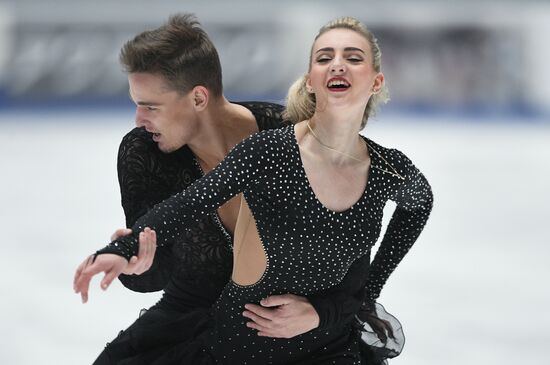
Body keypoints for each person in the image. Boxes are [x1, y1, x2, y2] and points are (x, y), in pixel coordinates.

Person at [74, 14, 400, 364]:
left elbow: (348, 246)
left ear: (198, 98)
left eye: (150, 106)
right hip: (190, 326)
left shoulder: (290, 132)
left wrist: (323, 312)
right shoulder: (144, 153)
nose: (139, 119)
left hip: (294, 330)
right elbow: (156, 271)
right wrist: (135, 265)